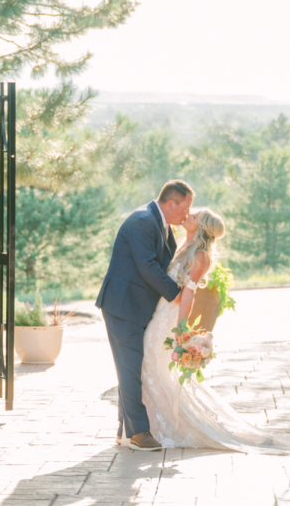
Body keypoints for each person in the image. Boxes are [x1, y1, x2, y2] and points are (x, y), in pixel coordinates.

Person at [140, 208, 290, 455]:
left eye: (194, 216)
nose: (189, 215)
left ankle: (161, 428)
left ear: (201, 228)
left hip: (168, 320)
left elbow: (188, 294)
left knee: (153, 367)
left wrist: (181, 328)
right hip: (160, 314)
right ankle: (151, 426)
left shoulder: (200, 256)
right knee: (152, 368)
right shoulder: (182, 246)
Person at [96, 180, 194, 452]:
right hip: (123, 305)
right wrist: (177, 295)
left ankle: (123, 431)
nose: (187, 213)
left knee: (132, 367)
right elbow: (148, 266)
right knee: (130, 368)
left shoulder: (162, 225)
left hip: (138, 307)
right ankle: (139, 433)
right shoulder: (142, 221)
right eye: (185, 207)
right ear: (171, 203)